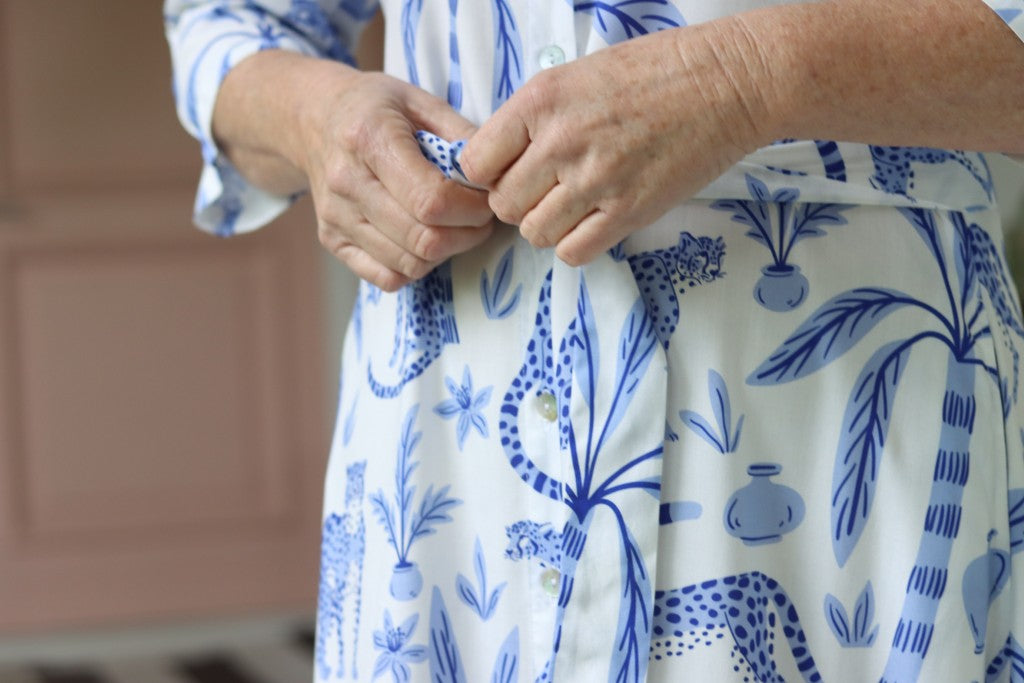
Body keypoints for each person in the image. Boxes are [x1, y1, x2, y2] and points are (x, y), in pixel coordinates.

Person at [164, 1, 1024, 680]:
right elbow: (226, 25)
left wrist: (748, 78)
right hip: (446, 439)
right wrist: (320, 122)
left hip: (845, 404)